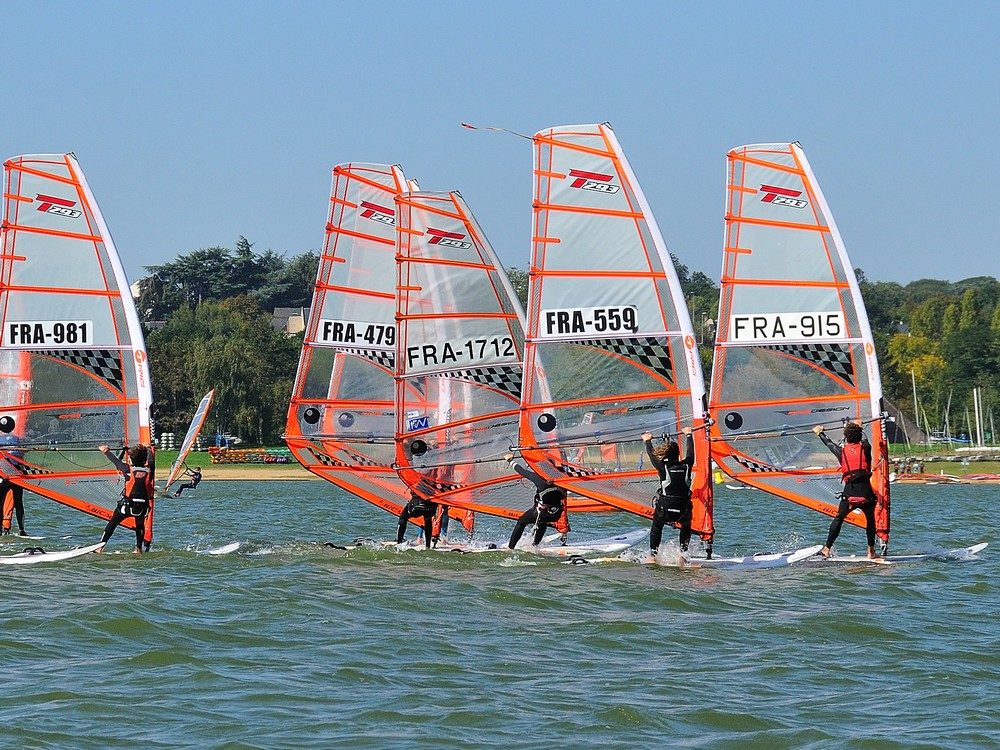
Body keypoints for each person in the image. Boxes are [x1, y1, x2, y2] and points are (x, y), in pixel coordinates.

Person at [813, 422, 880, 560]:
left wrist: (820, 432)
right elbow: (865, 438)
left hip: (849, 493)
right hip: (866, 494)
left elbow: (829, 443)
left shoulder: (841, 452)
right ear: (859, 435)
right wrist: (860, 426)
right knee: (870, 520)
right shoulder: (866, 448)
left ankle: (827, 549)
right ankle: (871, 551)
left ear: (846, 437)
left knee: (839, 518)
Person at [643, 427, 694, 556]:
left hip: (665, 509)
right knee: (686, 527)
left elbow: (652, 455)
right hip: (683, 510)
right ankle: (683, 555)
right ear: (678, 454)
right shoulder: (687, 465)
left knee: (656, 527)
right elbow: (690, 453)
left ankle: (653, 555)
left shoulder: (663, 467)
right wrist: (688, 435)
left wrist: (647, 441)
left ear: (666, 455)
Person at [95, 444, 155, 554]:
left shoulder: (127, 469)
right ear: (144, 459)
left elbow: (116, 461)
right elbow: (151, 460)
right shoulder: (150, 470)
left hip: (127, 507)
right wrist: (148, 449)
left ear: (131, 459)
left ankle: (100, 547)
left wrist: (105, 450)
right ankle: (138, 549)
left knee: (112, 523)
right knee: (140, 525)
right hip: (142, 508)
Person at [505, 452, 568, 549]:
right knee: (543, 521)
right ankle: (535, 545)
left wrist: (510, 460)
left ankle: (510, 548)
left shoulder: (538, 479)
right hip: (556, 515)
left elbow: (521, 470)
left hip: (540, 513)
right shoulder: (562, 478)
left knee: (521, 522)